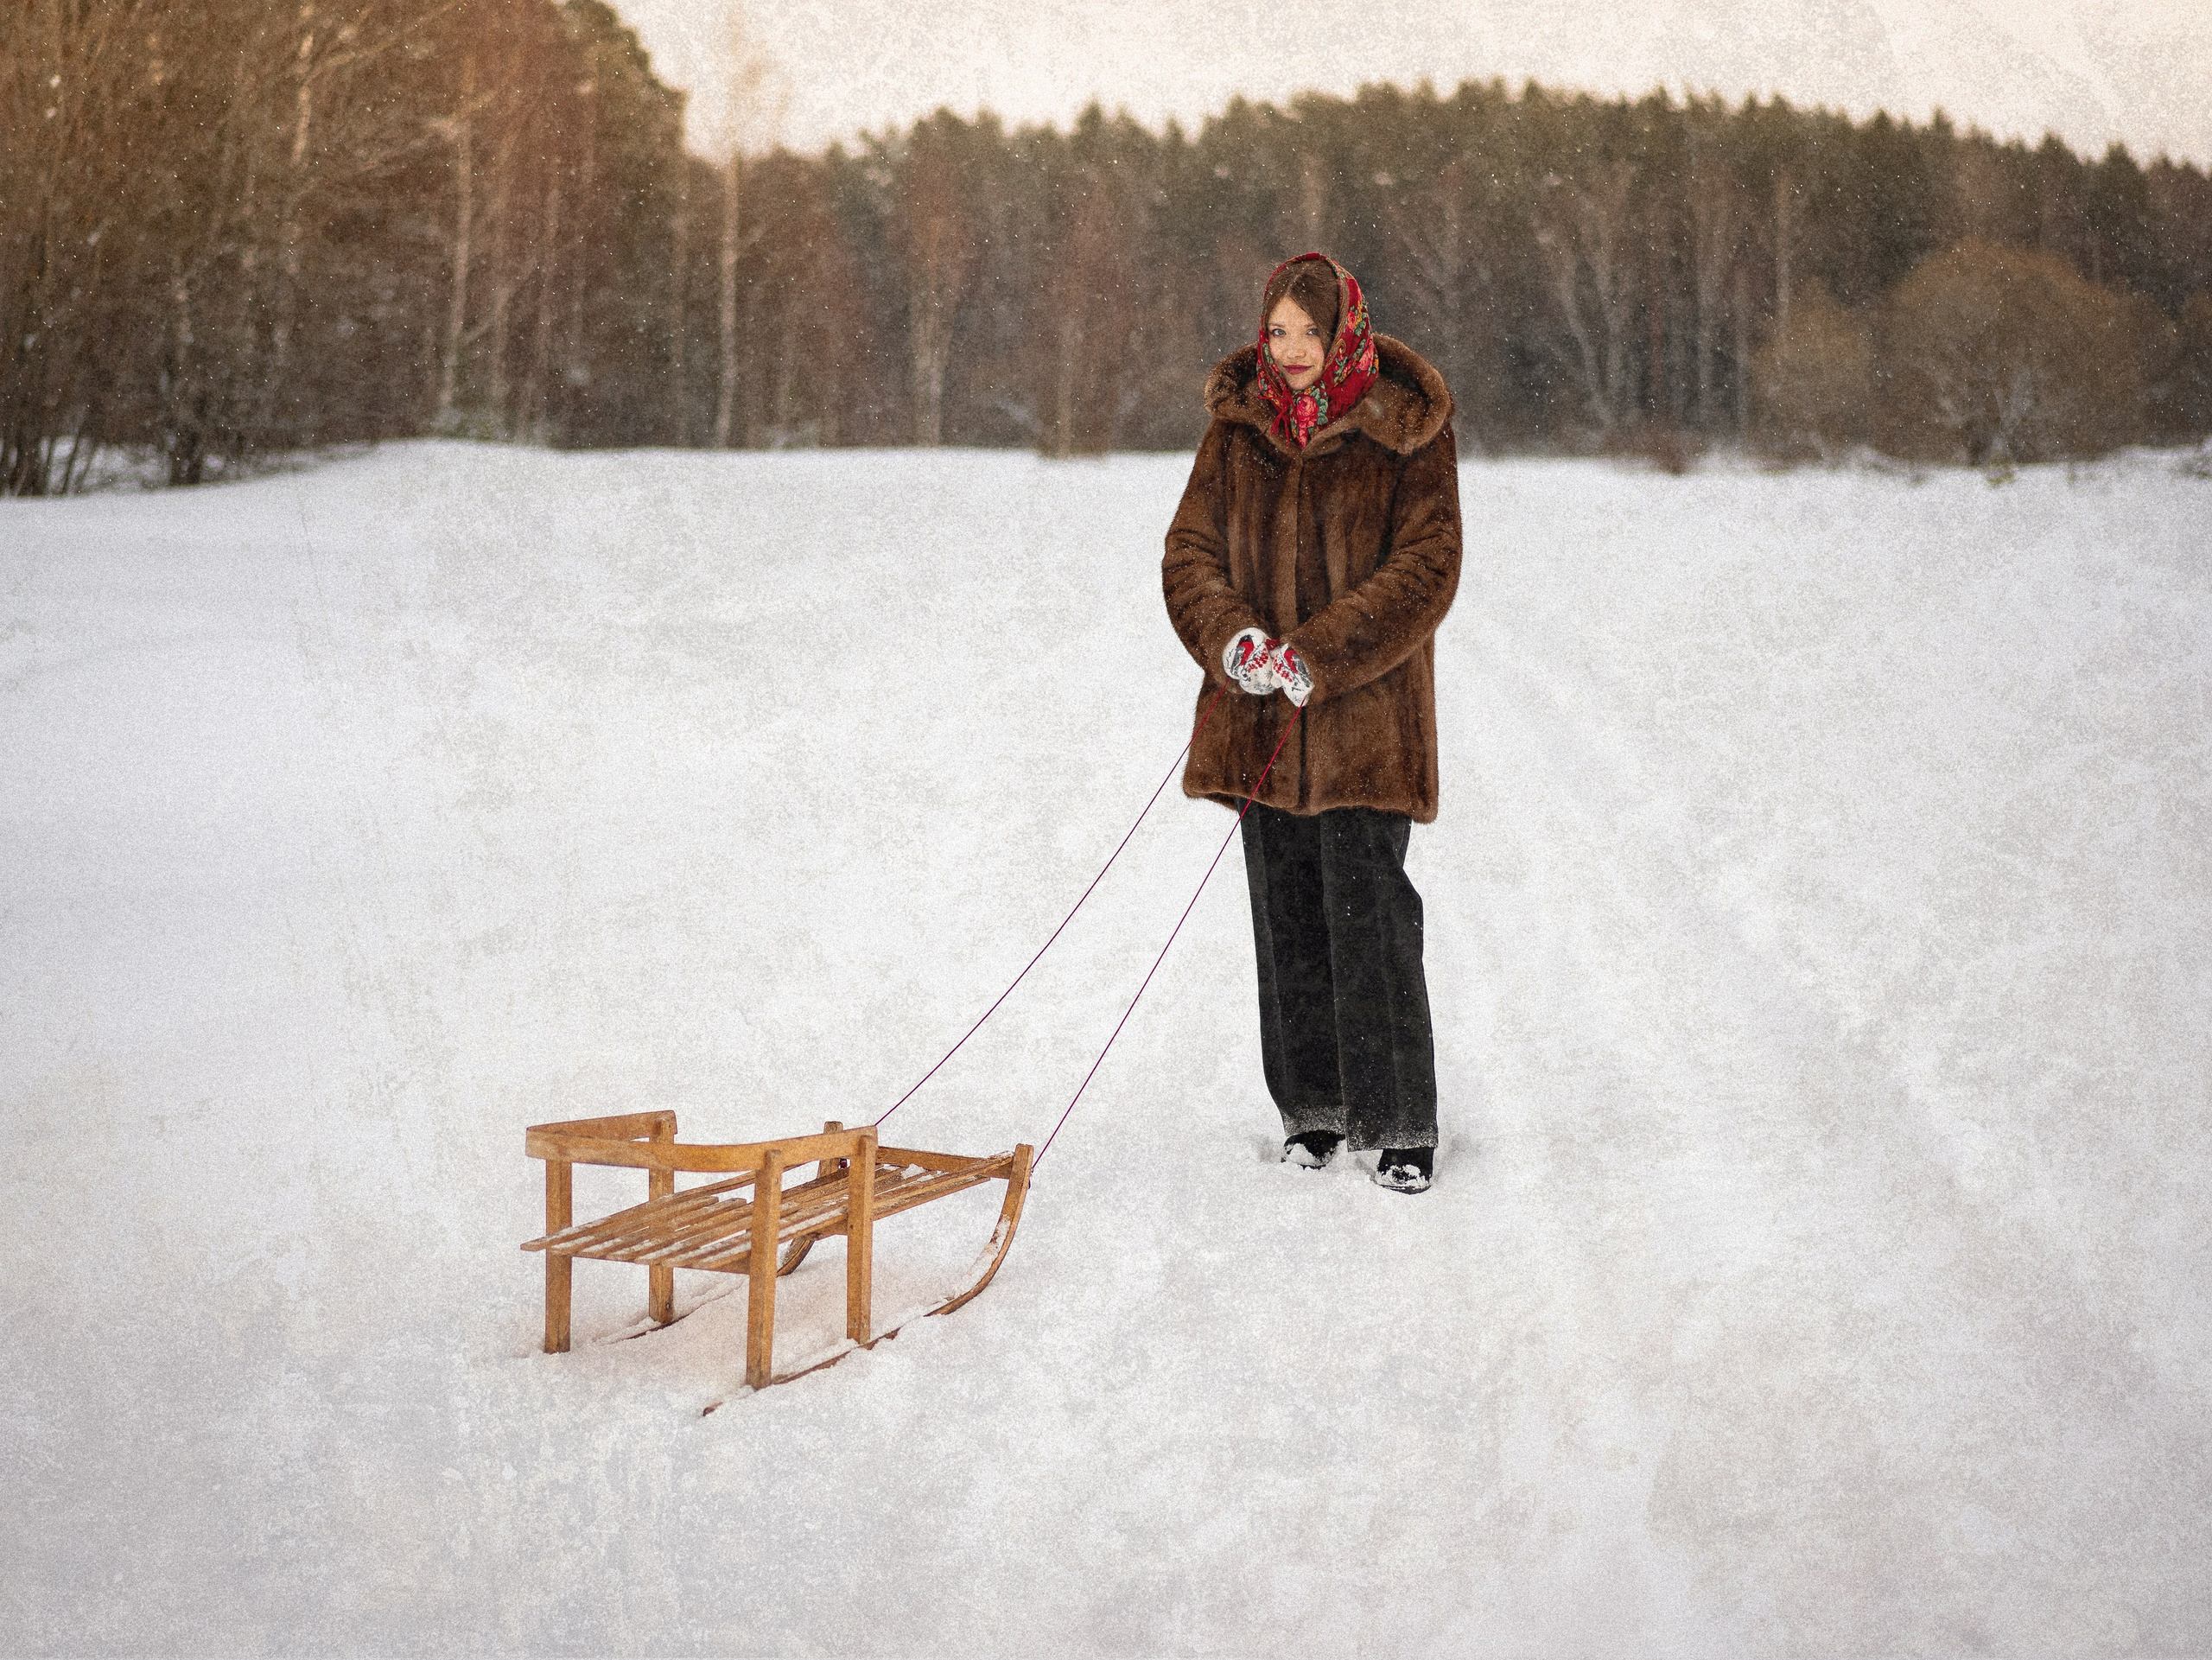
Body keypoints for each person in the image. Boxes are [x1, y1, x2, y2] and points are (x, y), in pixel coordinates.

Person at [1161, 252, 1461, 1193]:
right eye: (1277, 332)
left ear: (1346, 335)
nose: (1290, 352)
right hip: (1259, 722)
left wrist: (1318, 653)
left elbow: (1427, 568)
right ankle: (1315, 1110)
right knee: (1285, 918)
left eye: (1309, 333)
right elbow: (1189, 554)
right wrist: (1235, 642)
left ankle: (1399, 1121)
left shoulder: (1405, 430)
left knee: (1366, 917)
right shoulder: (1236, 430)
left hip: (1366, 723)